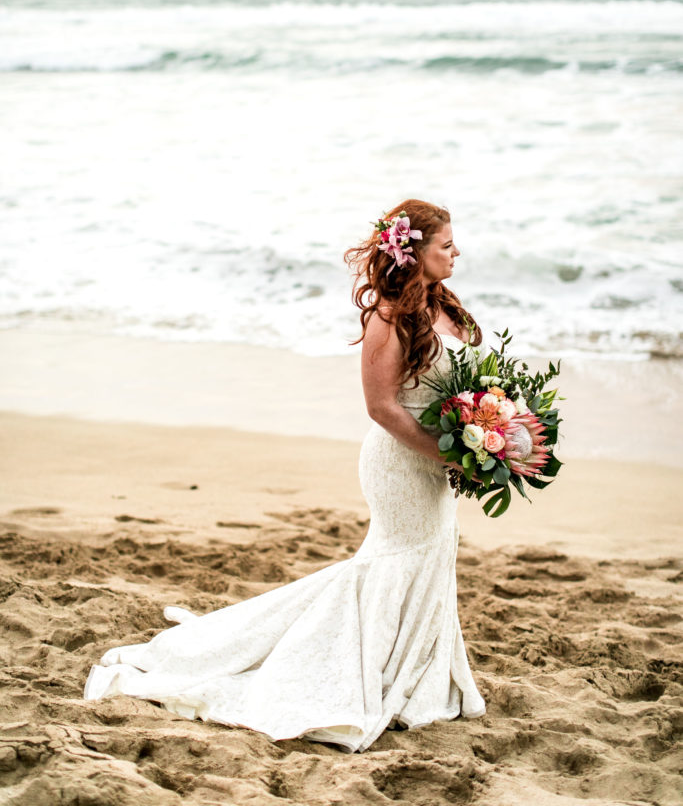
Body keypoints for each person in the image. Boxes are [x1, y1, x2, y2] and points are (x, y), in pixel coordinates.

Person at [83, 198, 486, 753]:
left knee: (433, 554)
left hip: (437, 462)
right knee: (395, 560)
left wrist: (487, 431)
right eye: (446, 245)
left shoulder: (446, 309)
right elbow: (381, 406)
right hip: (400, 462)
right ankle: (355, 671)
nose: (457, 252)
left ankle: (414, 676)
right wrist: (442, 453)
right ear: (415, 252)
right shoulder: (387, 317)